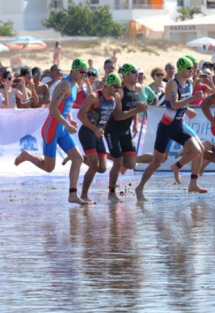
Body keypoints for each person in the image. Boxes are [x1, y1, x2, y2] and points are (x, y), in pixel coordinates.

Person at [14, 58, 89, 205]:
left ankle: (73, 194)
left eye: (85, 73)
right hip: (52, 128)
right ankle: (26, 155)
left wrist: (70, 118)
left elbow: (65, 106)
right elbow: (53, 108)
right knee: (49, 167)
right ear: (73, 70)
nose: (83, 75)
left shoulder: (74, 85)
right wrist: (67, 124)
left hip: (62, 128)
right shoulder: (65, 84)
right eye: (81, 72)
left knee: (78, 158)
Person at [136, 57, 205, 200]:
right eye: (189, 68)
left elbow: (181, 103)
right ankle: (139, 188)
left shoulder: (189, 83)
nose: (192, 71)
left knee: (197, 150)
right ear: (181, 69)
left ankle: (178, 168)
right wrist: (191, 101)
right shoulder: (172, 85)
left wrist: (187, 109)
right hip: (166, 128)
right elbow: (173, 105)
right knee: (157, 162)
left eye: (192, 68)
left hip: (179, 126)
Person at [103, 63, 148, 203]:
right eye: (134, 72)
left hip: (126, 130)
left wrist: (135, 122)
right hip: (113, 130)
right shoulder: (120, 92)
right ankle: (111, 193)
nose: (137, 75)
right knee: (118, 162)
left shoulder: (138, 88)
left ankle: (104, 156)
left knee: (131, 163)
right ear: (127, 75)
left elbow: (135, 106)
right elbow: (117, 116)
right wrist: (136, 112)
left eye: (138, 72)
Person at [76, 72, 121, 203]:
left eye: (119, 87)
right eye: (115, 87)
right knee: (94, 166)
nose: (117, 90)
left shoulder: (113, 100)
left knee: (102, 168)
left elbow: (108, 117)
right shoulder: (94, 97)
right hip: (87, 132)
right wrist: (94, 128)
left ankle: (79, 158)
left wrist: (102, 130)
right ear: (108, 85)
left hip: (98, 133)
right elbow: (80, 115)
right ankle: (84, 196)